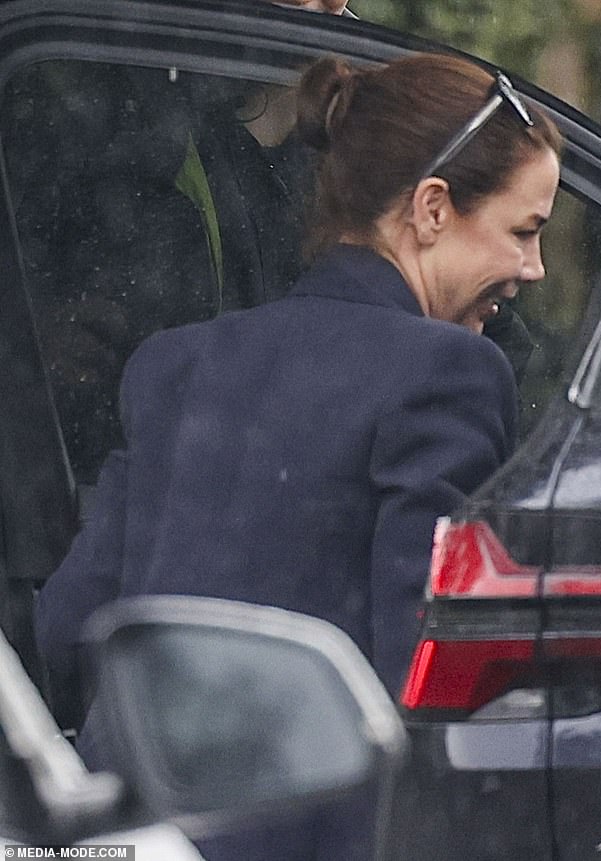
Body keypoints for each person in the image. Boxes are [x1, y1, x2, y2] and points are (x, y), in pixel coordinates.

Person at [35, 50, 561, 859]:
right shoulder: (448, 371)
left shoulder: (177, 363)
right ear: (431, 208)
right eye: (525, 231)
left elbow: (71, 624)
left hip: (137, 834)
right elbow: (420, 679)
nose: (533, 269)